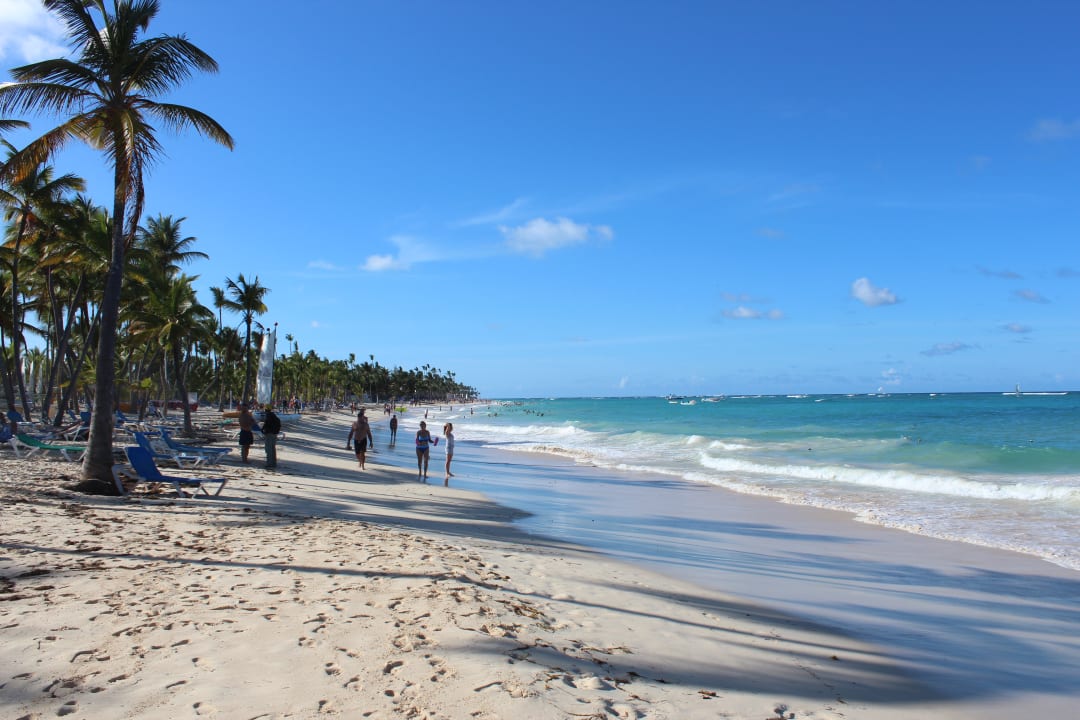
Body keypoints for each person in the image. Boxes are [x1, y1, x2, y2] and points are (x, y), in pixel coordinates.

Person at [262, 405, 282, 469]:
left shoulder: (268, 416)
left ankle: (269, 463)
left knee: (269, 449)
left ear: (266, 409)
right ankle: (273, 462)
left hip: (269, 434)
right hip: (274, 434)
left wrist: (263, 430)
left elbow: (266, 424)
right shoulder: (273, 415)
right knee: (273, 448)